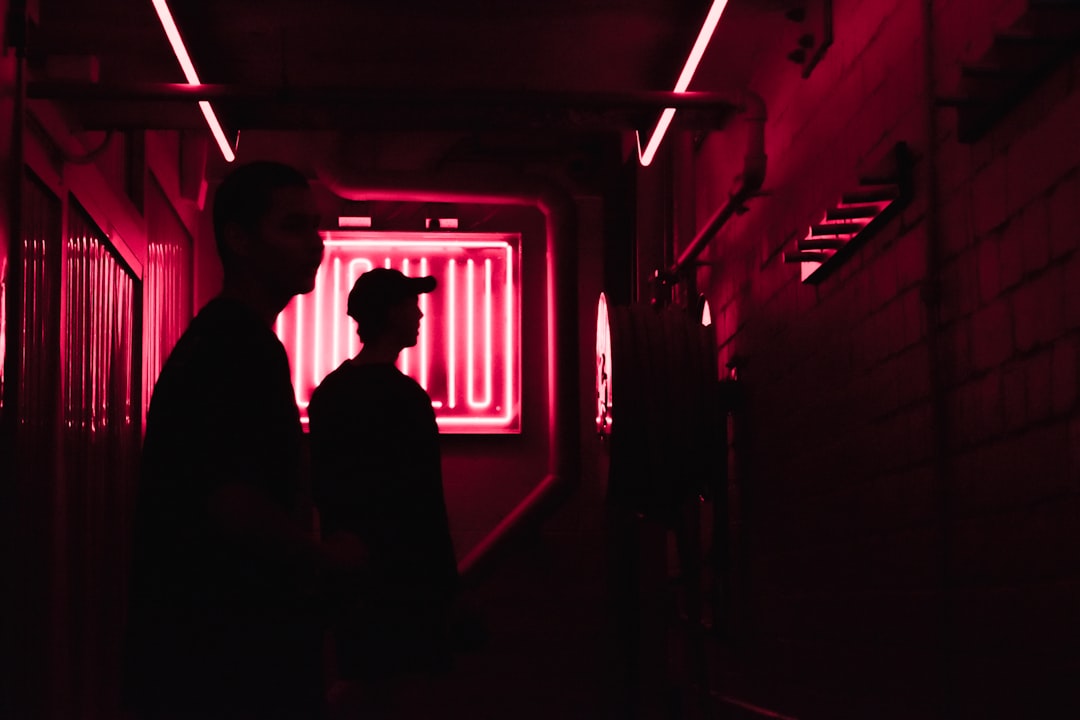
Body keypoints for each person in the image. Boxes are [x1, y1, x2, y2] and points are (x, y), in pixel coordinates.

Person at [123, 161, 365, 720]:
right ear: (239, 238)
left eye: (315, 226)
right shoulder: (238, 347)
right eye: (294, 226)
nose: (315, 243)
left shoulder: (226, 338)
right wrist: (327, 557)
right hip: (225, 659)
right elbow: (230, 500)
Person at [307, 268, 460, 710]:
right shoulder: (407, 399)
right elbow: (426, 499)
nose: (420, 314)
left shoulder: (330, 394)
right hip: (409, 577)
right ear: (392, 313)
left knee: (362, 683)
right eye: (412, 304)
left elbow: (323, 486)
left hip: (351, 572)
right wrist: (447, 585)